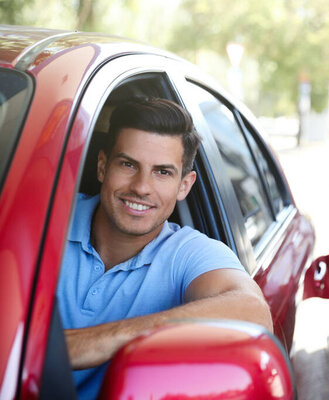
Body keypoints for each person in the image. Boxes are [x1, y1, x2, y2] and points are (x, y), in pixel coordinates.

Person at [56, 98, 273, 400]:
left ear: (184, 185)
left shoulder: (187, 253)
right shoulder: (46, 218)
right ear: (103, 166)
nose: (142, 187)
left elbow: (253, 311)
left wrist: (88, 344)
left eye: (162, 172)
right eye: (128, 164)